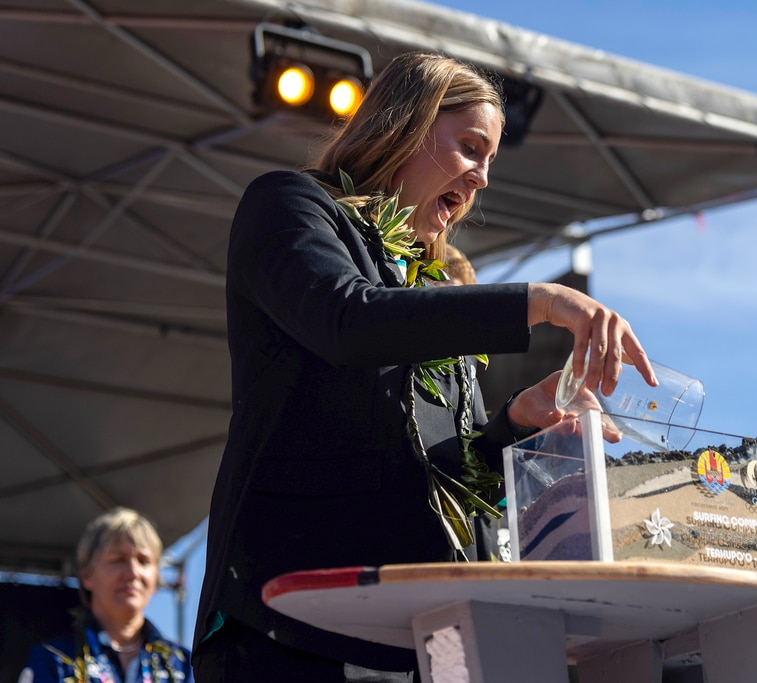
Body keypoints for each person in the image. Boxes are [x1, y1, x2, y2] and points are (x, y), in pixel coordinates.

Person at [192, 50, 654, 682]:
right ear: (405, 126)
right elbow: (347, 320)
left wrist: (517, 423)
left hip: (411, 637)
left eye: (490, 160)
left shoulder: (432, 294)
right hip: (288, 621)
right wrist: (538, 300)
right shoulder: (287, 204)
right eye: (469, 147)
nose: (482, 178)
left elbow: (447, 479)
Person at [20, 507, 193, 683]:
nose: (133, 572)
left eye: (144, 561)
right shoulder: (52, 660)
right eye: (118, 559)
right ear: (87, 575)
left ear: (156, 578)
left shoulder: (183, 665)